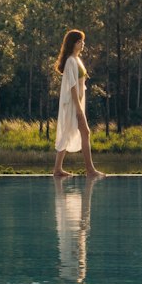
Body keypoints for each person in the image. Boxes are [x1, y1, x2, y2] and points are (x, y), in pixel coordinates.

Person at [53, 29, 102, 177]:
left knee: (69, 133)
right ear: (72, 43)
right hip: (73, 105)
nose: (82, 44)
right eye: (79, 41)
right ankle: (90, 170)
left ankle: (57, 169)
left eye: (82, 41)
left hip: (78, 103)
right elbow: (72, 86)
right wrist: (78, 109)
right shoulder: (70, 61)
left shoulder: (77, 60)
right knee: (85, 133)